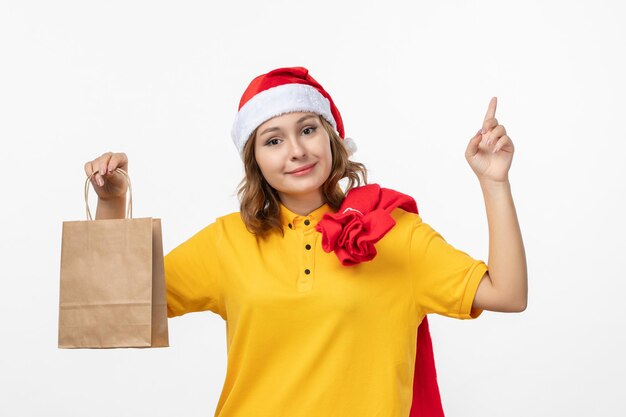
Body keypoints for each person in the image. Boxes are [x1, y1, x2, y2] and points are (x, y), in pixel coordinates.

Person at [84, 66, 527, 417]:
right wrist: (113, 202)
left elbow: (507, 294)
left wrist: (494, 183)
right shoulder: (226, 241)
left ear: (333, 138)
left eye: (308, 129)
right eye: (273, 140)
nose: (296, 150)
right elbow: (115, 313)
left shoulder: (393, 231)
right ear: (254, 160)